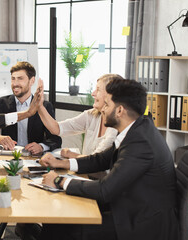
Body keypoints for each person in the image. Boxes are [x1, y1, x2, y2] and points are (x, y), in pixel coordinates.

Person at [39, 79, 180, 240]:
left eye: (107, 105)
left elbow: (105, 190)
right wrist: (61, 163)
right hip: (129, 206)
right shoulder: (137, 128)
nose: (103, 110)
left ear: (120, 110)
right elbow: (100, 160)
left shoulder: (141, 143)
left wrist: (59, 181)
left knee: (63, 228)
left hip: (142, 224)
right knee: (58, 215)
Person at [0, 61, 61, 155]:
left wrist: (41, 146)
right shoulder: (2, 103)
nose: (15, 83)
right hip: (9, 158)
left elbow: (56, 139)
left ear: (32, 81)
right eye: (13, 79)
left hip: (34, 158)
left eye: (20, 79)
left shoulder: (45, 106)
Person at [37, 74, 120, 158]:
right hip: (85, 170)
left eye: (98, 90)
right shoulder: (91, 115)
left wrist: (69, 154)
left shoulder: (117, 127)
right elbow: (56, 129)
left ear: (110, 96)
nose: (93, 93)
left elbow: (96, 161)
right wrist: (40, 106)